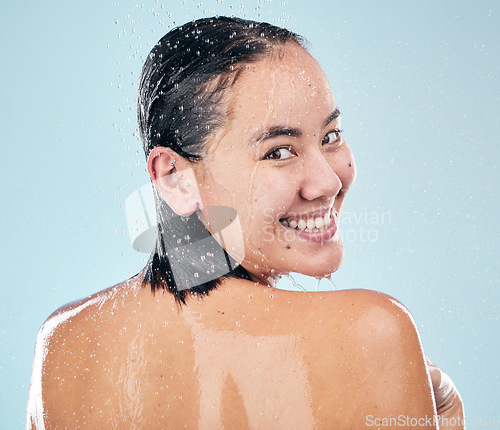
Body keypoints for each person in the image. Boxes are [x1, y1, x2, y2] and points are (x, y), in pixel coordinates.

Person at [26, 16, 464, 429]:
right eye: (279, 151)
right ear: (175, 179)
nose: (328, 181)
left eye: (330, 136)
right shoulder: (368, 332)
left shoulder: (63, 347)